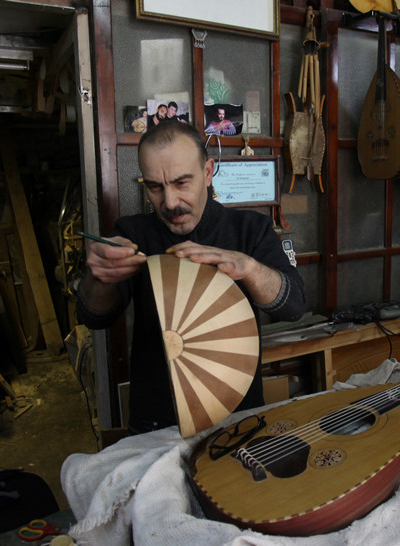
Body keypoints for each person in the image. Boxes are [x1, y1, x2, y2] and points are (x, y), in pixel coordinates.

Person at [77, 121, 306, 434]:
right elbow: (94, 318)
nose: (170, 202)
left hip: (236, 411)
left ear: (208, 172)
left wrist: (250, 268)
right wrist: (99, 277)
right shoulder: (133, 234)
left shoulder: (250, 229)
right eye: (155, 187)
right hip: (157, 419)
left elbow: (294, 307)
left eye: (182, 183)